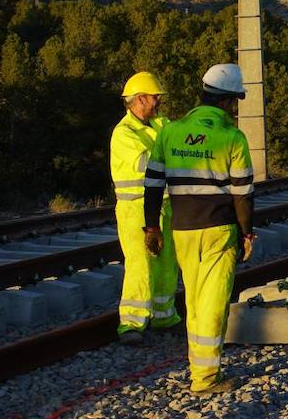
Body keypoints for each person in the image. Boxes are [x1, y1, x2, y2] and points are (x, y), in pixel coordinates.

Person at [143, 63, 255, 395]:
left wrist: (151, 227)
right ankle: (206, 378)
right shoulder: (232, 137)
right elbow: (243, 193)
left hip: (182, 229)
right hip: (219, 230)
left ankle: (199, 366)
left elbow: (152, 186)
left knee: (194, 298)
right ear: (230, 101)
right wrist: (247, 232)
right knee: (213, 302)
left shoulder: (170, 132)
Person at [109, 72, 180, 344]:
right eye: (154, 97)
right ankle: (131, 324)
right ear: (140, 99)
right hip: (135, 209)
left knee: (166, 264)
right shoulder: (124, 133)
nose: (158, 101)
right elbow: (149, 162)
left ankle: (164, 317)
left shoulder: (161, 124)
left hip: (164, 205)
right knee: (140, 265)